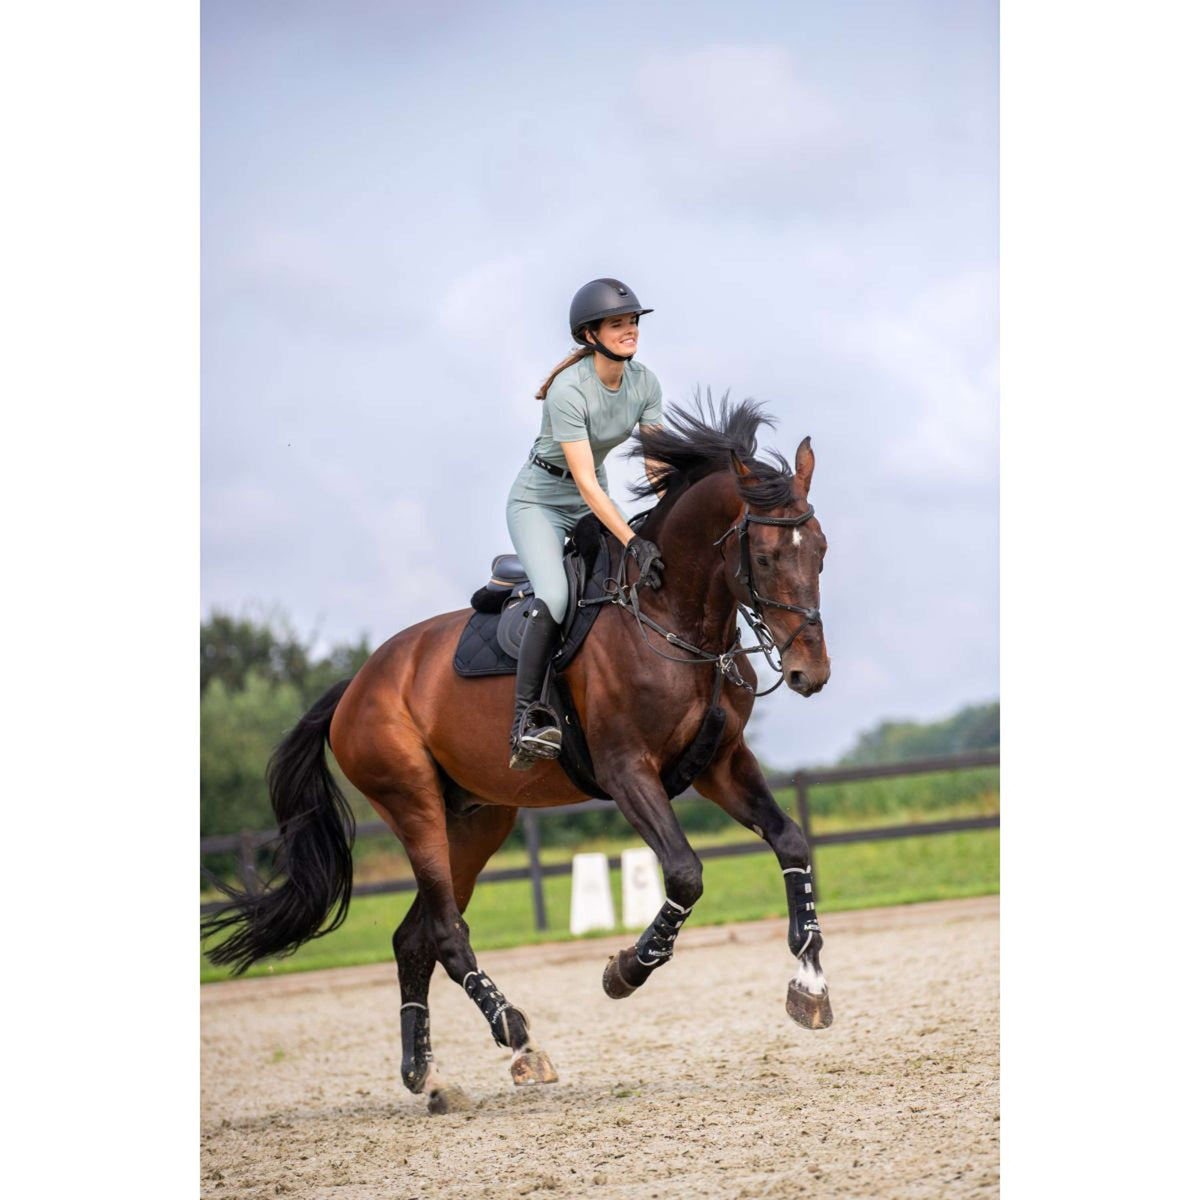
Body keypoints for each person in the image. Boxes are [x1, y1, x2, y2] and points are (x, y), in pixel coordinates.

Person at [505, 277, 667, 770]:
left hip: (590, 497)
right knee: (555, 595)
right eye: (618, 323)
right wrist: (632, 537)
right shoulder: (567, 391)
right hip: (541, 501)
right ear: (590, 335)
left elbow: (656, 465)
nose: (630, 330)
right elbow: (585, 483)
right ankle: (525, 717)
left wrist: (666, 515)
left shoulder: (646, 383)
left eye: (633, 321)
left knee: (620, 586)